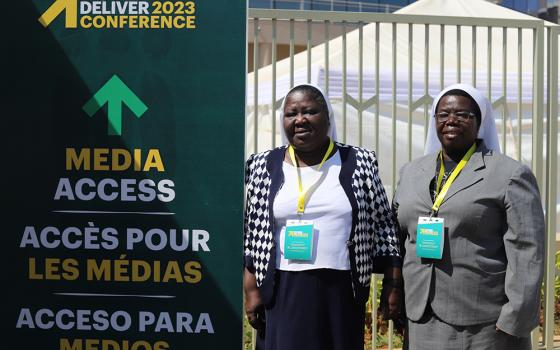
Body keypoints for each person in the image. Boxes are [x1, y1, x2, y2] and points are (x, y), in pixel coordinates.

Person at [243, 83, 403, 350]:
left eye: (309, 111)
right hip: (283, 289)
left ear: (328, 117)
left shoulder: (358, 162)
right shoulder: (262, 165)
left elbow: (384, 224)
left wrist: (393, 282)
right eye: (291, 113)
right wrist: (251, 289)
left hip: (341, 289)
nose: (300, 119)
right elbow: (251, 231)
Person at [393, 83, 544, 350]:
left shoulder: (509, 174)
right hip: (421, 316)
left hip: (483, 322)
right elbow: (399, 235)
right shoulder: (411, 172)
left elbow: (527, 250)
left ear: (480, 121)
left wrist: (514, 318)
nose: (451, 120)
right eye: (443, 114)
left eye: (463, 114)